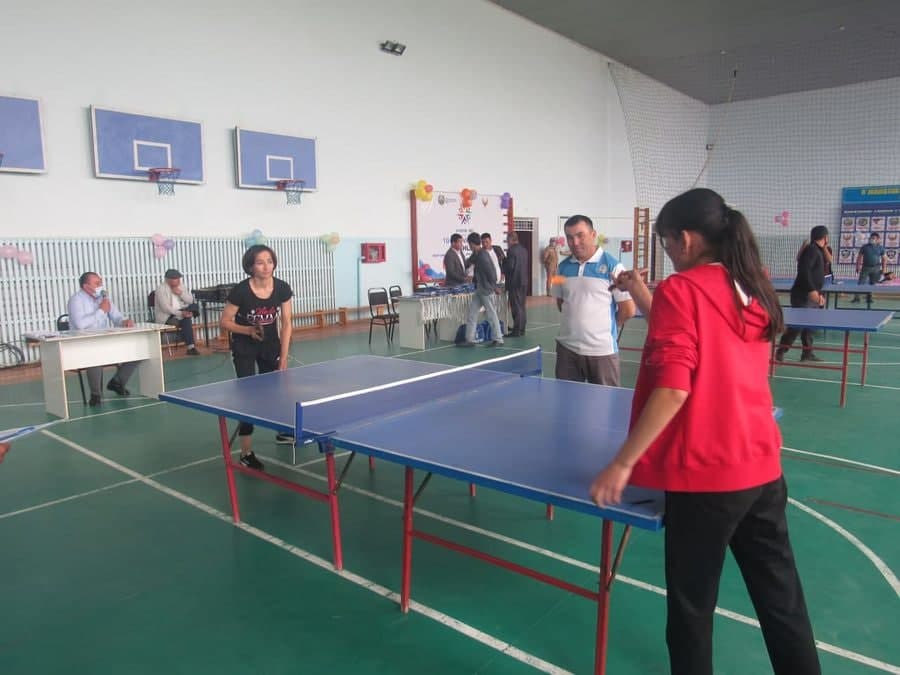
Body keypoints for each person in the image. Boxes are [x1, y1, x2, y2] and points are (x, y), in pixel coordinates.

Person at [590, 188, 820, 675]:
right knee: (783, 604)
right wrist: (641, 290)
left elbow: (674, 388)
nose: (669, 253)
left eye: (667, 243)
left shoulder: (684, 289)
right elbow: (684, 325)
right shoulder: (753, 285)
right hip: (762, 470)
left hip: (706, 478)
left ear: (688, 239)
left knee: (692, 613)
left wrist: (623, 462)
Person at [220, 245, 294, 469]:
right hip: (245, 346)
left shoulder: (282, 288)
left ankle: (282, 431)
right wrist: (248, 330)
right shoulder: (241, 291)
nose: (266, 266)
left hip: (270, 345)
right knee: (248, 397)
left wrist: (283, 357)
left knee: (276, 390)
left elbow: (287, 324)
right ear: (250, 266)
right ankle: (246, 452)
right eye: (260, 262)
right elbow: (225, 322)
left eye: (269, 261)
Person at [553, 215, 635, 387]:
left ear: (593, 234)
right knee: (566, 400)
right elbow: (560, 302)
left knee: (605, 401)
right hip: (567, 350)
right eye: (570, 237)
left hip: (602, 352)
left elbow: (628, 310)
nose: (575, 242)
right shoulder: (561, 268)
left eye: (580, 235)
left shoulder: (614, 267)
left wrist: (603, 331)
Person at [67, 272, 138, 407]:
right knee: (95, 356)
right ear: (86, 286)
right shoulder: (76, 300)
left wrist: (124, 321)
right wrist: (101, 311)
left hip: (104, 339)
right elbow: (80, 325)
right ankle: (95, 394)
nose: (101, 285)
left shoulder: (103, 298)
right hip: (83, 342)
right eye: (97, 283)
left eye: (101, 282)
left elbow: (117, 317)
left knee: (137, 350)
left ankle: (117, 382)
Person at [775, 226, 829, 362]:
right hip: (803, 295)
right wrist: (812, 291)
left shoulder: (818, 250)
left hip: (813, 294)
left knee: (809, 326)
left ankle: (807, 353)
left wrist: (818, 294)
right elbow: (804, 271)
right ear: (825, 237)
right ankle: (781, 350)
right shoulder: (812, 250)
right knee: (796, 326)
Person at [457, 232, 503, 347]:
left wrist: (495, 287)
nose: (468, 246)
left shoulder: (483, 256)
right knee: (472, 313)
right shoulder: (477, 254)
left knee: (491, 314)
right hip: (479, 289)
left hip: (486, 290)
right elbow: (469, 262)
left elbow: (491, 273)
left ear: (472, 244)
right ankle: (470, 339)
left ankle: (498, 339)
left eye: (469, 244)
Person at [154, 269, 200, 355]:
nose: (179, 280)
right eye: (176, 279)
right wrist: (181, 313)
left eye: (179, 278)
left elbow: (190, 300)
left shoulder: (181, 286)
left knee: (194, 306)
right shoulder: (161, 289)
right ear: (168, 280)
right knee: (186, 320)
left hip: (181, 311)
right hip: (167, 317)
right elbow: (165, 308)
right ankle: (191, 347)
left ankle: (190, 314)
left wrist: (181, 293)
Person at [503, 231, 529, 336]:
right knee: (522, 306)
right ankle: (522, 328)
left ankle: (517, 330)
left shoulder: (511, 250)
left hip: (514, 282)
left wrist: (503, 263)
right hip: (523, 281)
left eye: (507, 240)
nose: (507, 242)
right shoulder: (524, 250)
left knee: (516, 306)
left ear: (510, 239)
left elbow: (510, 267)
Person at [852, 233, 887, 304]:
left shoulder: (881, 248)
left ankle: (869, 298)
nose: (872, 239)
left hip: (876, 268)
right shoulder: (864, 247)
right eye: (871, 238)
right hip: (865, 268)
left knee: (872, 284)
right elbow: (859, 257)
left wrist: (884, 269)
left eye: (874, 238)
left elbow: (884, 259)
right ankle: (856, 298)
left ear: (878, 239)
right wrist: (857, 266)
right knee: (861, 283)